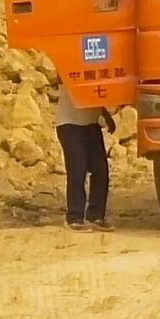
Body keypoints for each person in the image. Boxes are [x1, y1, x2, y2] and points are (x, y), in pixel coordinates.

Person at [55, 82, 113, 231]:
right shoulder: (68, 66)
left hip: (90, 124)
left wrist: (105, 114)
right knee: (77, 170)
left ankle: (96, 216)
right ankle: (74, 217)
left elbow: (94, 92)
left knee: (100, 171)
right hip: (69, 123)